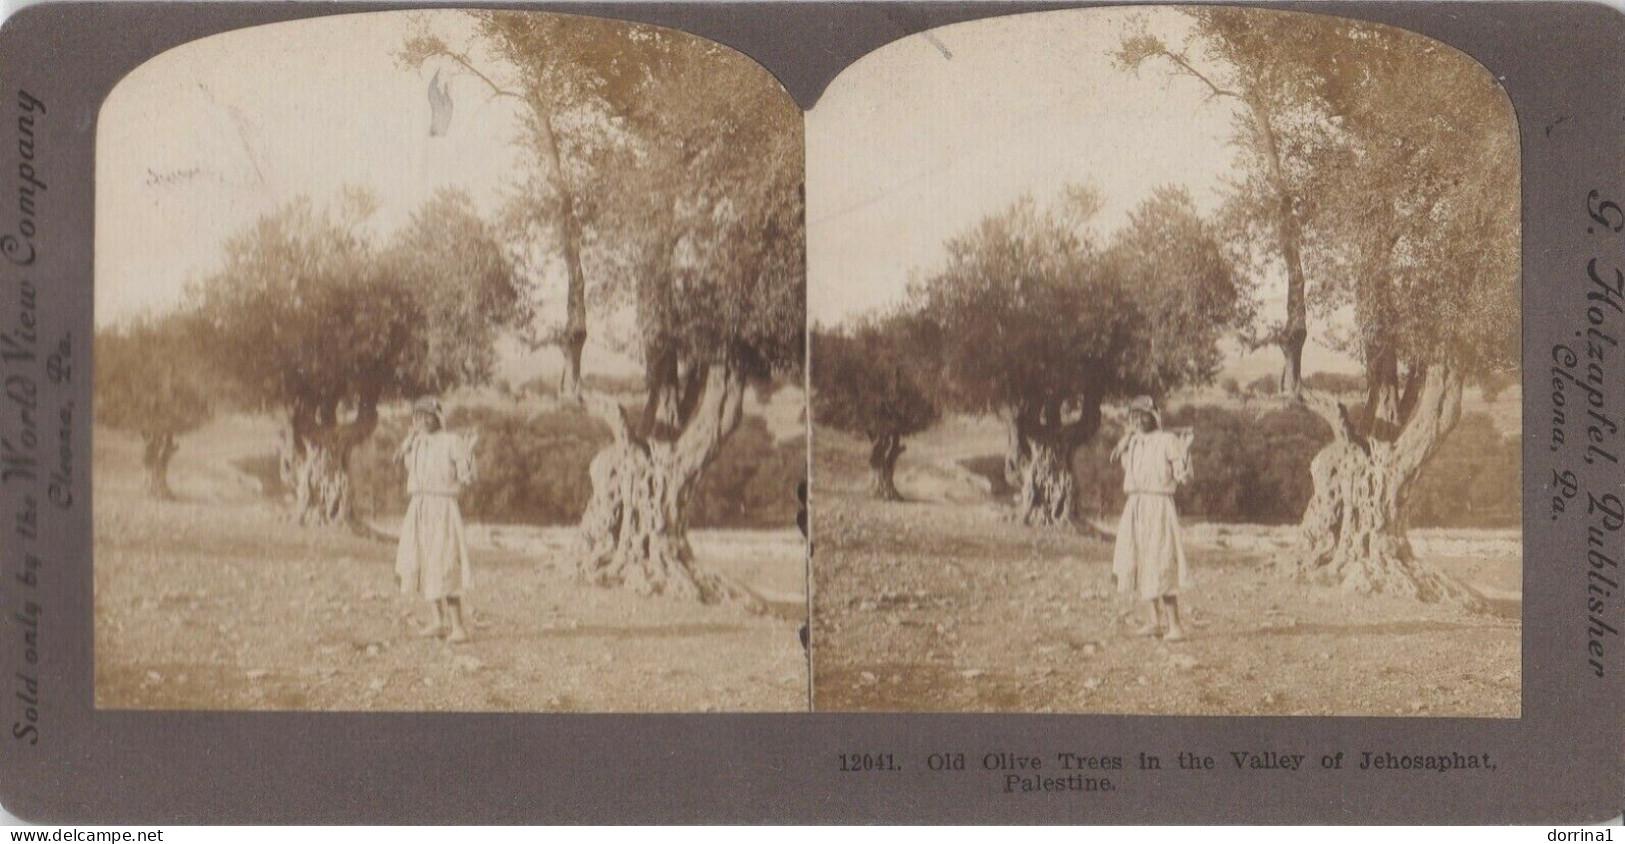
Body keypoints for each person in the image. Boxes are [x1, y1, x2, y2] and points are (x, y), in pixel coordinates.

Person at [1110, 396, 1194, 642]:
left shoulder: (1169, 441)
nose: (1137, 419)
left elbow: (1183, 477)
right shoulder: (1133, 442)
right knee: (1139, 559)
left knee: (1160, 560)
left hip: (1158, 506)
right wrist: (1126, 439)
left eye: (1142, 414)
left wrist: (1185, 451)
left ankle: (1175, 625)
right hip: (1135, 505)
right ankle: (1154, 621)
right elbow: (1115, 459)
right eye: (1133, 415)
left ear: (1154, 416)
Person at [394, 396, 477, 644]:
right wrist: (409, 441)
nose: (423, 420)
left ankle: (458, 626)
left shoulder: (451, 442)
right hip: (420, 506)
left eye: (428, 415)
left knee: (444, 563)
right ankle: (438, 620)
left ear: (438, 417)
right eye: (418, 416)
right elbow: (399, 462)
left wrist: (468, 456)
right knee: (423, 560)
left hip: (442, 508)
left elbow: (467, 477)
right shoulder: (416, 443)